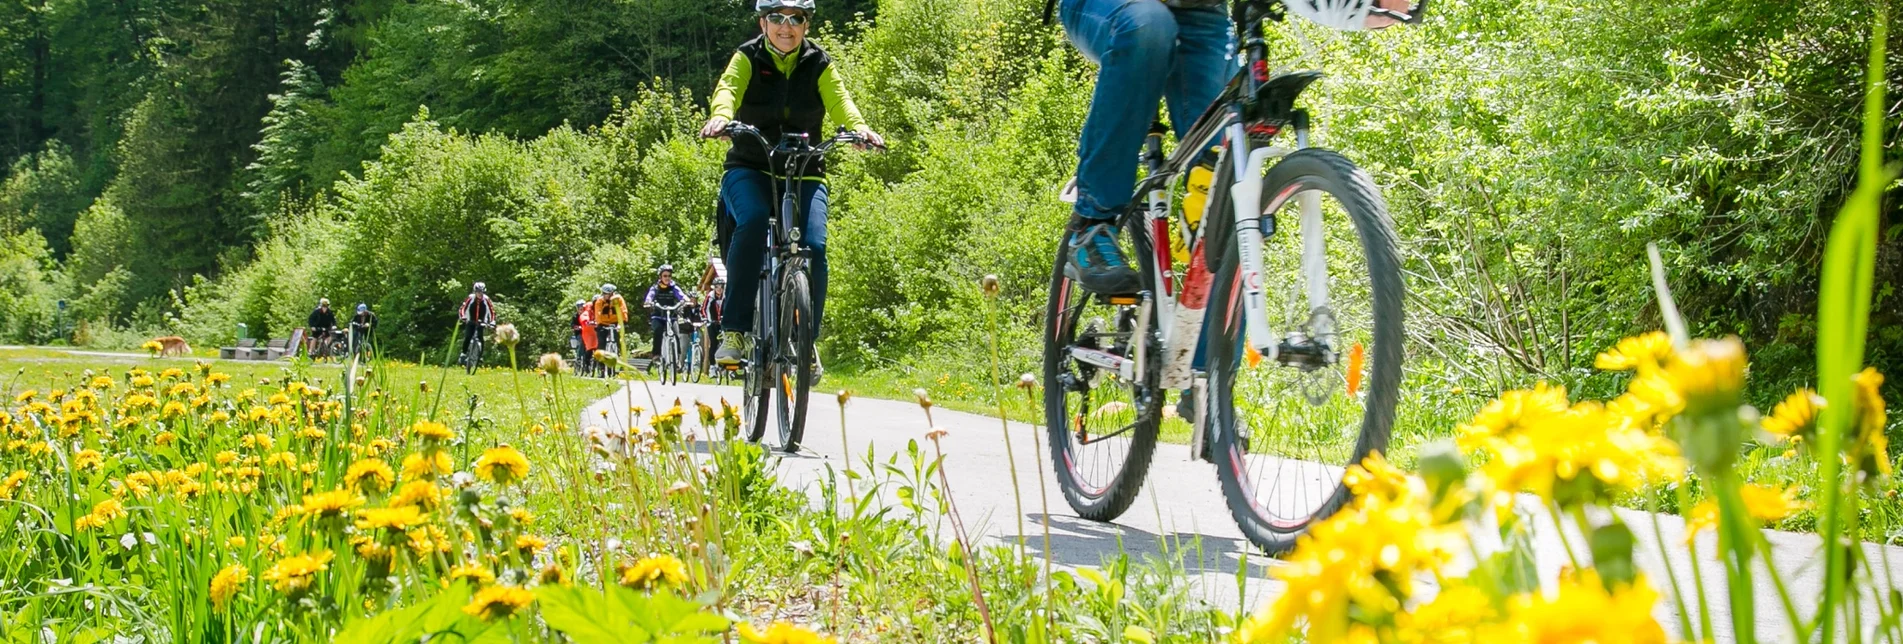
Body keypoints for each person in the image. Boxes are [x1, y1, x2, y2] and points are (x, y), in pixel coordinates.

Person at [1055, 0, 1417, 294]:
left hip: (1201, 14)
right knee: (1148, 26)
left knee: (1223, 182)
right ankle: (1094, 222)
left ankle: (1208, 374)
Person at [699, 0, 886, 366]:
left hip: (804, 168)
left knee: (814, 247)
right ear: (762, 23)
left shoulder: (818, 63)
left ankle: (806, 341)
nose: (786, 27)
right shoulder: (747, 58)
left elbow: (841, 101)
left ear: (806, 25)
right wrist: (721, 117)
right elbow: (728, 89)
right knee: (752, 220)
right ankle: (734, 330)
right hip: (750, 165)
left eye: (796, 19)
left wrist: (859, 128)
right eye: (777, 18)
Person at [643, 265, 689, 364]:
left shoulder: (674, 287)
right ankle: (656, 355)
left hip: (671, 316)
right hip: (658, 316)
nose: (667, 278)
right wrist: (648, 302)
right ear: (660, 277)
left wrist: (686, 300)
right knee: (658, 330)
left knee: (676, 334)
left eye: (669, 276)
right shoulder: (655, 288)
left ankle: (677, 359)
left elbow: (681, 295)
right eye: (665, 276)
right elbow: (650, 296)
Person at [457, 282, 496, 363]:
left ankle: (480, 356)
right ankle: (463, 354)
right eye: (478, 292)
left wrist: (492, 321)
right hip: (470, 320)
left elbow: (492, 311)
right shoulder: (470, 298)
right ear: (475, 291)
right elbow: (462, 308)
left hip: (481, 322)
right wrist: (463, 317)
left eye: (481, 292)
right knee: (468, 336)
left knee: (480, 338)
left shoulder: (486, 299)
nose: (479, 294)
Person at [590, 284, 628, 359]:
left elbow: (623, 311)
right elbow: (598, 314)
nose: (604, 295)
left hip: (616, 322)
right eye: (603, 293)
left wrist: (622, 323)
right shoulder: (599, 301)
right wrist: (599, 324)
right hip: (603, 323)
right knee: (601, 343)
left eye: (606, 293)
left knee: (620, 340)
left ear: (611, 293)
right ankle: (602, 364)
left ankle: (621, 356)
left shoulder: (619, 299)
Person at [570, 300, 596, 376]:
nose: (581, 309)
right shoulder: (575, 316)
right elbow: (573, 326)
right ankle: (579, 359)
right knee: (581, 343)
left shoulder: (588, 314)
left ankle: (589, 363)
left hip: (589, 333)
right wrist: (578, 327)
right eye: (579, 308)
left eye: (582, 308)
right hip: (580, 334)